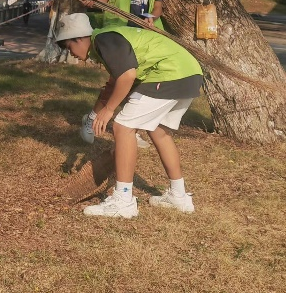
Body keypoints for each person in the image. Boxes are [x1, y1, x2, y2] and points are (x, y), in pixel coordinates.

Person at [56, 13, 203, 219]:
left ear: (79, 38)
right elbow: (112, 85)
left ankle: (123, 201)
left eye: (69, 47)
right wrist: (93, 115)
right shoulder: (107, 41)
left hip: (169, 73)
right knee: (158, 131)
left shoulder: (104, 40)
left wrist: (109, 111)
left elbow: (127, 76)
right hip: (190, 73)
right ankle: (178, 196)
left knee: (122, 126)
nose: (71, 54)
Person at [83, 0, 167, 149]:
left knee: (140, 84)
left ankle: (132, 129)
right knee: (115, 81)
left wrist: (153, 18)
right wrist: (93, 3)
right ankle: (91, 118)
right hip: (119, 34)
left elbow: (158, 7)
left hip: (144, 36)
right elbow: (104, 0)